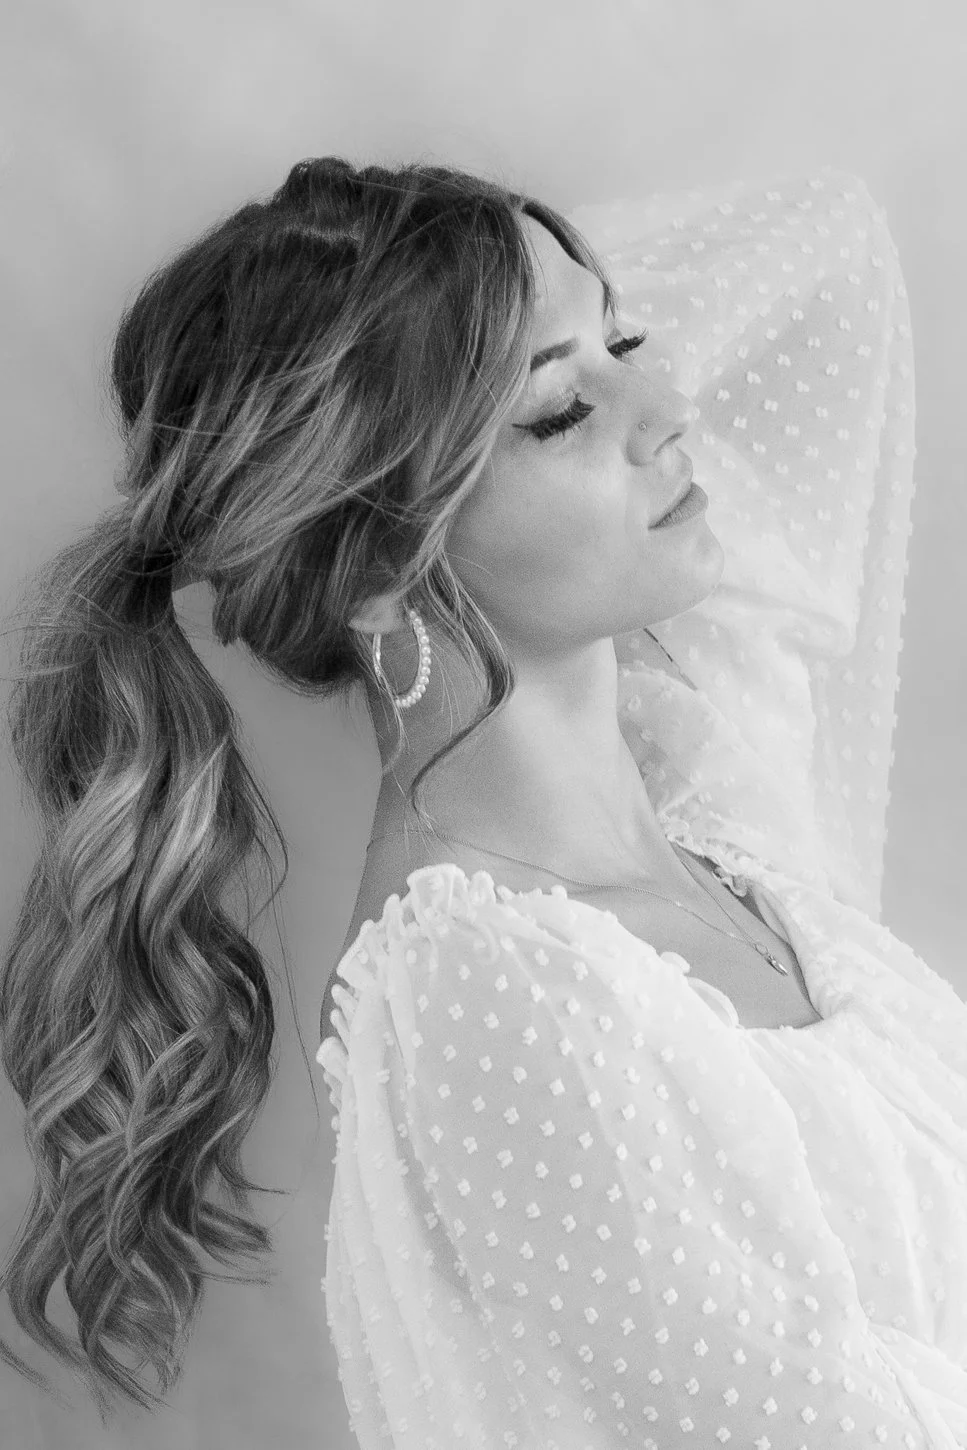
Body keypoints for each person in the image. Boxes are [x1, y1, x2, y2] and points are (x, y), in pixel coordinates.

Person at [0, 155, 964, 1449]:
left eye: (628, 340)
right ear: (375, 563)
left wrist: (459, 290)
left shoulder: (708, 790)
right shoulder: (486, 986)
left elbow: (827, 243)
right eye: (559, 411)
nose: (671, 405)